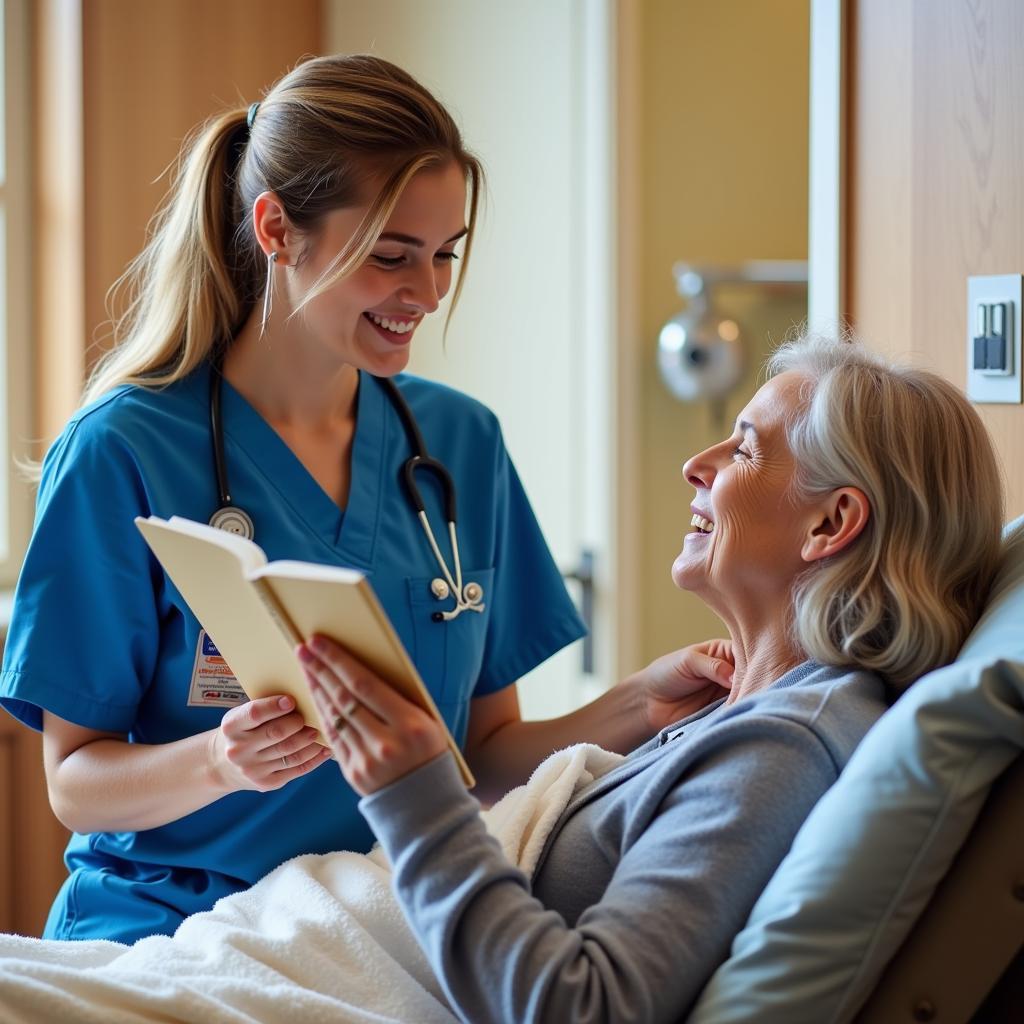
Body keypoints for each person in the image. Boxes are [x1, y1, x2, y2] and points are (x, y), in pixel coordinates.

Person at [0, 54, 729, 944]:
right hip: (169, 926)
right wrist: (222, 762)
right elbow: (75, 781)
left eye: (443, 256)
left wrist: (643, 704)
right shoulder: (125, 448)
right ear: (275, 229)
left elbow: (482, 758)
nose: (424, 293)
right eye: (391, 256)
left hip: (379, 922)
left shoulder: (460, 447)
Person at [299, 332, 1005, 1023]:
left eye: (745, 448)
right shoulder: (750, 710)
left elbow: (589, 1008)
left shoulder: (779, 750)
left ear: (830, 524)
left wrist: (414, 800)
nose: (697, 464)